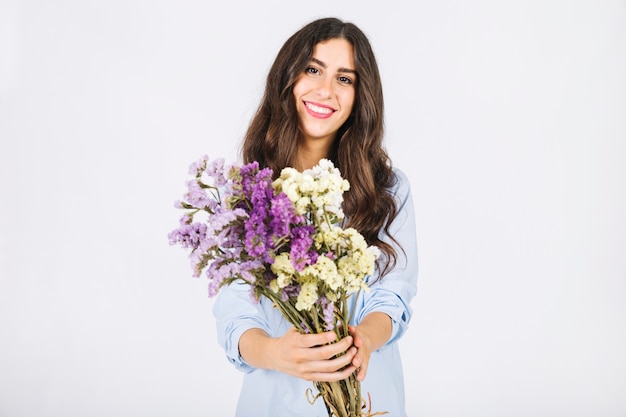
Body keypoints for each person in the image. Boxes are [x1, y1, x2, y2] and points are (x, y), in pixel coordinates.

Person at [212, 17, 418, 416]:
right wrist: (275, 352)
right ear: (287, 78)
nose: (325, 89)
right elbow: (235, 313)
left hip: (371, 401)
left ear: (361, 96)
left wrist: (363, 342)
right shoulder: (245, 195)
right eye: (313, 69)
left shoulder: (388, 190)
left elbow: (394, 295)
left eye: (345, 79)